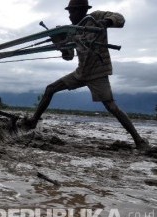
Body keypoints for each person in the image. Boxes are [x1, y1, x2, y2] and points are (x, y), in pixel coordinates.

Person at [22, 0, 149, 149]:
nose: (70, 16)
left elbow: (120, 19)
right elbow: (68, 56)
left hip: (97, 72)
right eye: (69, 13)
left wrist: (106, 22)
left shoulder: (95, 17)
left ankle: (138, 140)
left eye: (72, 12)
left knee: (112, 107)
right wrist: (60, 46)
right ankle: (33, 121)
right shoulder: (73, 30)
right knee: (50, 89)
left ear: (82, 10)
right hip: (81, 72)